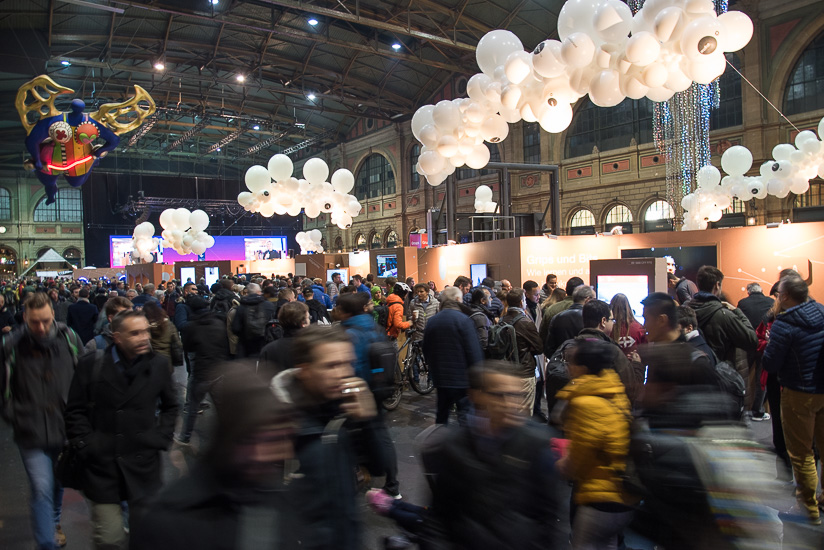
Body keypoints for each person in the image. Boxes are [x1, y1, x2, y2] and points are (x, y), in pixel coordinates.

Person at [130, 365, 296, 550]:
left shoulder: (281, 503)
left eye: (273, 441)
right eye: (250, 440)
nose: (261, 453)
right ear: (230, 438)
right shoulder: (169, 518)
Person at [415, 360, 566, 548]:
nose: (509, 403)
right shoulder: (453, 445)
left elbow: (551, 519)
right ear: (476, 396)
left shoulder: (536, 444)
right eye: (499, 395)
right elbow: (439, 514)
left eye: (515, 395)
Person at [64, 310, 178, 549]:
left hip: (143, 464)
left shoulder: (157, 365)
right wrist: (86, 444)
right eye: (135, 333)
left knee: (145, 537)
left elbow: (171, 405)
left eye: (146, 330)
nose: (144, 337)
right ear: (117, 337)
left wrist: (161, 437)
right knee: (109, 539)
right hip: (102, 466)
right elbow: (75, 410)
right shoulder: (91, 365)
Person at [270, 325, 380, 550]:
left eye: (348, 363)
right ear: (304, 370)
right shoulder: (279, 426)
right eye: (331, 366)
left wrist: (370, 420)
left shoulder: (342, 411)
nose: (344, 374)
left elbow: (380, 467)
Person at [0, 292, 84, 550]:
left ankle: (54, 522)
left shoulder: (69, 338)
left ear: (52, 315)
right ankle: (46, 543)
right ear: (25, 318)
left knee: (58, 481)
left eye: (46, 321)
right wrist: (17, 415)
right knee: (41, 487)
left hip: (65, 428)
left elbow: (83, 377)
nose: (41, 327)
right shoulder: (11, 345)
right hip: (31, 430)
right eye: (35, 322)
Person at [555, 340, 637, 549]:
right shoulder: (613, 390)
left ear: (582, 367)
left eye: (571, 362)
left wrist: (562, 465)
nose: (568, 366)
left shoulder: (586, 403)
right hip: (624, 492)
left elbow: (582, 455)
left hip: (602, 495)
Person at [763, 274, 824, 525]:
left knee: (801, 453)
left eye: (778, 294)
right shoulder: (821, 311)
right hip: (822, 389)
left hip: (798, 392)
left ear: (785, 296)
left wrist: (769, 346)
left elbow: (771, 363)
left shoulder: (784, 324)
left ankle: (808, 508)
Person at [336, 292, 401, 497]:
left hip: (358, 393)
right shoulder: (375, 327)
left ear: (346, 312)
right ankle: (392, 485)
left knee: (349, 436)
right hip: (378, 389)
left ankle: (357, 478)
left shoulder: (348, 334)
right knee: (381, 435)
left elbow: (350, 367)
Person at [422, 287, 484, 425]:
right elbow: (473, 352)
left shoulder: (432, 321)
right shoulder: (464, 320)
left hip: (441, 378)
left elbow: (426, 349)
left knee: (442, 415)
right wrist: (478, 380)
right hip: (461, 380)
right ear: (457, 300)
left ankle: (439, 444)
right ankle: (464, 445)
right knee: (465, 417)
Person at [176, 296, 230, 446]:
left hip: (202, 371)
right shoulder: (219, 323)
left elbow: (188, 348)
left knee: (193, 406)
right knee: (221, 406)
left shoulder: (192, 326)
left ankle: (185, 437)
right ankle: (229, 434)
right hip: (218, 369)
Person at [574, 299, 641, 405]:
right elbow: (632, 390)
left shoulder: (570, 347)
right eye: (612, 320)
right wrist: (637, 365)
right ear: (603, 321)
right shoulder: (612, 351)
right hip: (606, 413)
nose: (614, 323)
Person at [686, 265, 757, 366]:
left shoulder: (685, 310)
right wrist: (737, 311)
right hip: (720, 375)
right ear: (717, 285)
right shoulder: (724, 315)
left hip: (692, 374)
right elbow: (752, 340)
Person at [499, 289, 543, 416]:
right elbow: (539, 347)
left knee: (509, 412)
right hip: (524, 372)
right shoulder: (525, 322)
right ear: (520, 303)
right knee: (524, 414)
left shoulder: (502, 320)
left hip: (506, 371)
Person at [737, 282, 774, 421]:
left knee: (742, 375)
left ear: (748, 292)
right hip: (765, 344)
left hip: (747, 343)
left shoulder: (742, 303)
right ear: (762, 290)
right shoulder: (771, 302)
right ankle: (758, 411)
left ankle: (741, 407)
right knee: (761, 379)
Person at [257, 301, 309, 382]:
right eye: (308, 318)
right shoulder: (312, 347)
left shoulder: (268, 349)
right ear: (303, 323)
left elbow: (261, 381)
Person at [545, 284, 595, 357]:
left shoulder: (557, 318)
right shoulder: (591, 318)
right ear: (587, 299)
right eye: (594, 300)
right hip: (584, 364)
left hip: (561, 364)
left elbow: (549, 348)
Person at [231, 282, 276, 358]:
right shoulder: (269, 305)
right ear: (259, 292)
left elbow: (235, 328)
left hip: (245, 346)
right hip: (264, 344)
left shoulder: (241, 307)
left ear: (247, 292)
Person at [540, 277, 584, 346]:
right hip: (582, 353)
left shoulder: (551, 309)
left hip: (557, 354)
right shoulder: (587, 311)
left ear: (566, 289)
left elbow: (543, 336)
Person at [143, 301, 182, 366]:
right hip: (166, 359)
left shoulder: (144, 327)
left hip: (149, 360)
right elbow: (177, 342)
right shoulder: (167, 324)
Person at [609, 293, 645, 358]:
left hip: (615, 367)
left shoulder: (609, 328)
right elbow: (645, 353)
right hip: (634, 366)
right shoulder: (638, 327)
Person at [467, 288, 491, 353]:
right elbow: (483, 342)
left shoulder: (470, 311)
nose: (491, 300)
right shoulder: (480, 317)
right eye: (489, 298)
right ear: (482, 301)